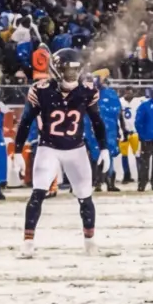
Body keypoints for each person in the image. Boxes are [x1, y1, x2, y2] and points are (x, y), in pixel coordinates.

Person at [17, 50, 109, 257]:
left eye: (76, 69)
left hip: (76, 149)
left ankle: (90, 242)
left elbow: (97, 122)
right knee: (38, 193)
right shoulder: (41, 90)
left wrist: (104, 147)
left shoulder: (86, 91)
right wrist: (17, 151)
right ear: (57, 70)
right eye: (68, 69)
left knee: (85, 196)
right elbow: (25, 122)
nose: (73, 74)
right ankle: (28, 243)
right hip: (48, 148)